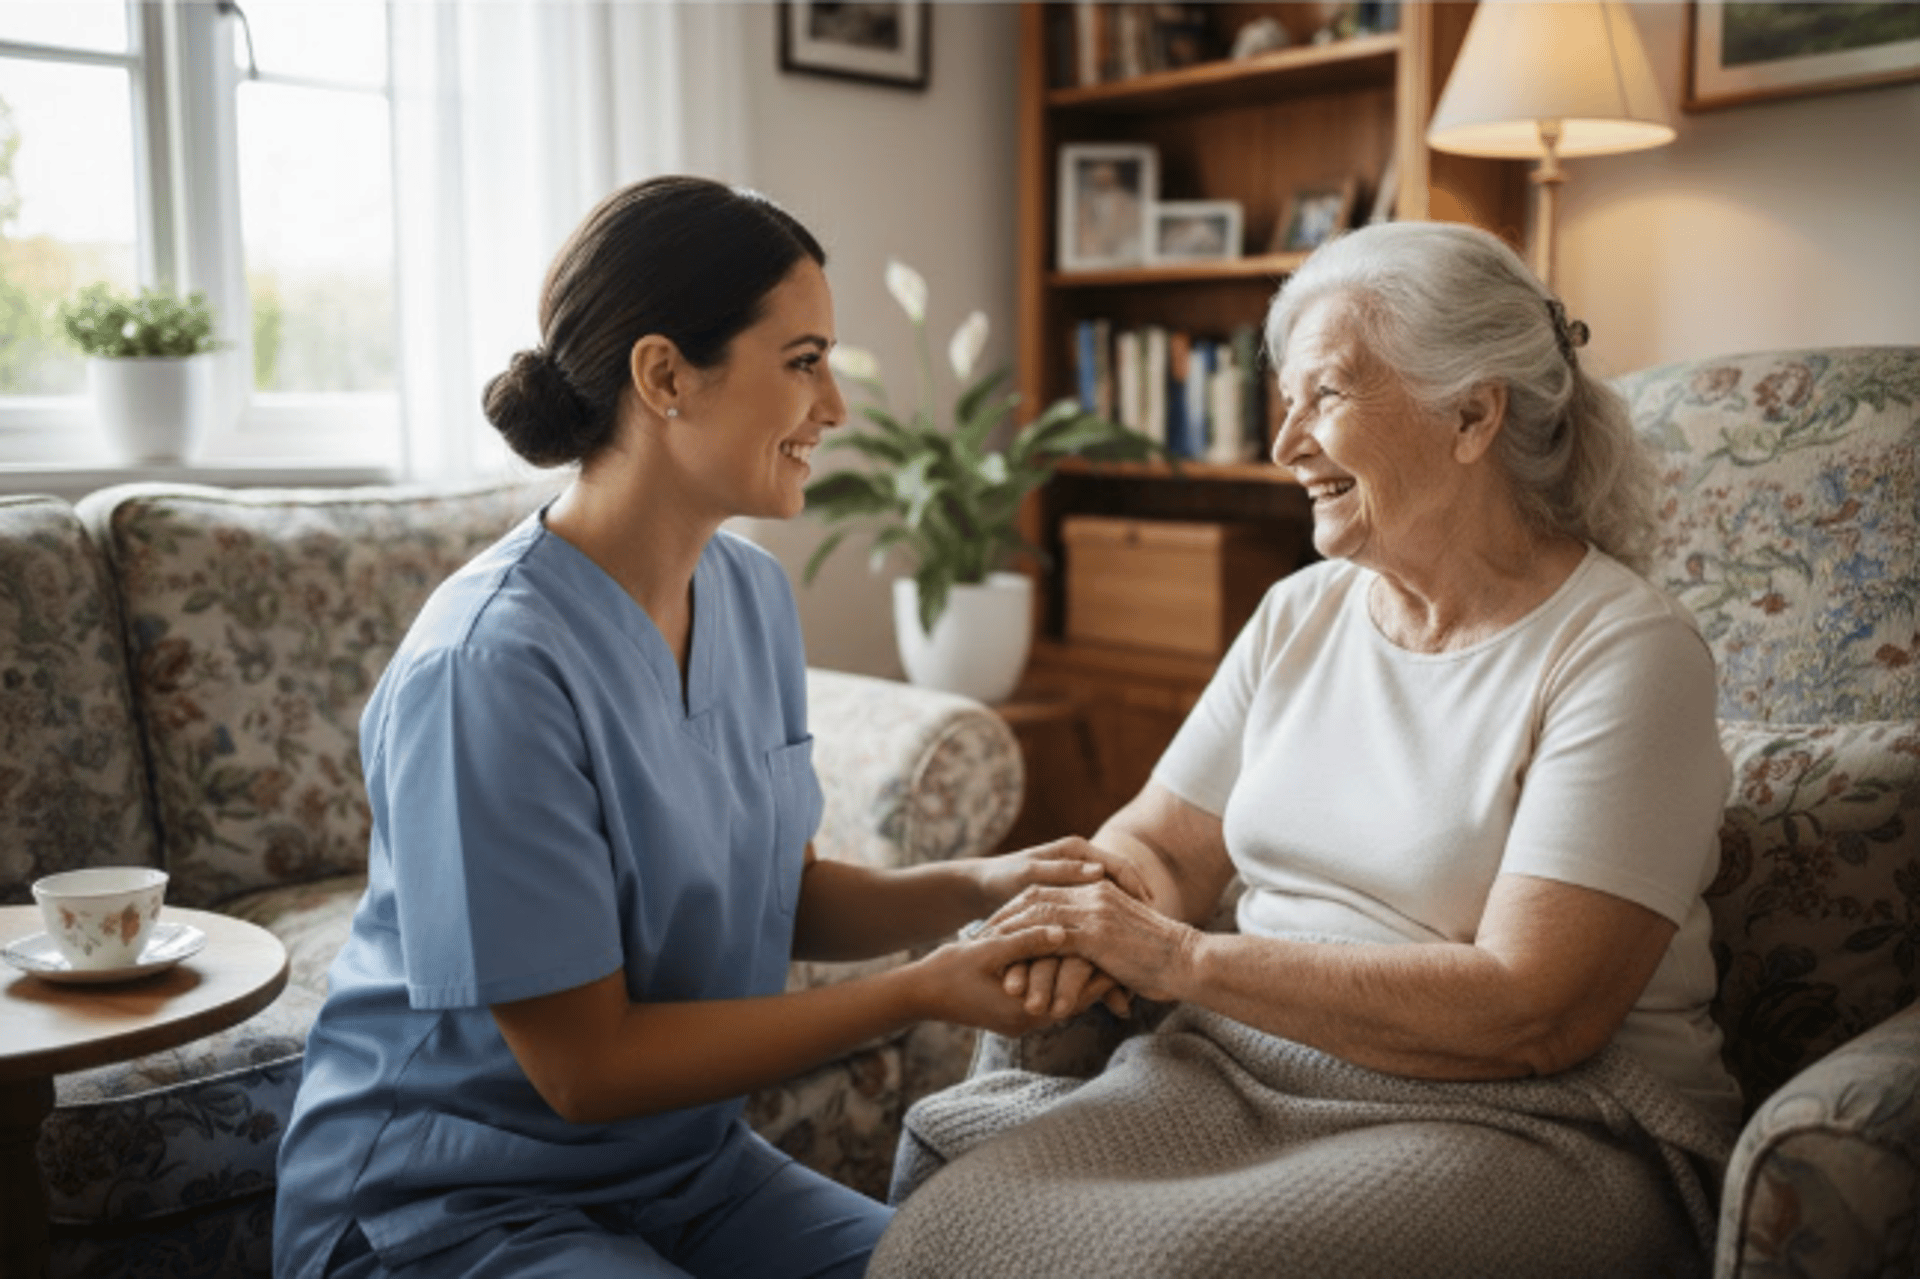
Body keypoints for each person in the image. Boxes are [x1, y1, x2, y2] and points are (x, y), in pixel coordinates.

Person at [869, 221, 1742, 1279]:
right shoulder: (1302, 612)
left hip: (1543, 1119)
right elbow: (1168, 845)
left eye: (1323, 397)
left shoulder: (1625, 653)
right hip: (1243, 1067)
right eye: (1286, 403)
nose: (1285, 443)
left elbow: (1535, 1011)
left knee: (1156, 1269)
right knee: (945, 1227)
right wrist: (1087, 904)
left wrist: (1177, 959)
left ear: (1472, 412)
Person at [273, 175, 1103, 1279]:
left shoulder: (750, 595)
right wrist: (915, 987)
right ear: (665, 375)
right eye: (804, 362)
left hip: (685, 1168)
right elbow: (587, 1068)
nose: (836, 410)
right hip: (451, 1197)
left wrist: (979, 889)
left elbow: (778, 889)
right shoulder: (486, 666)